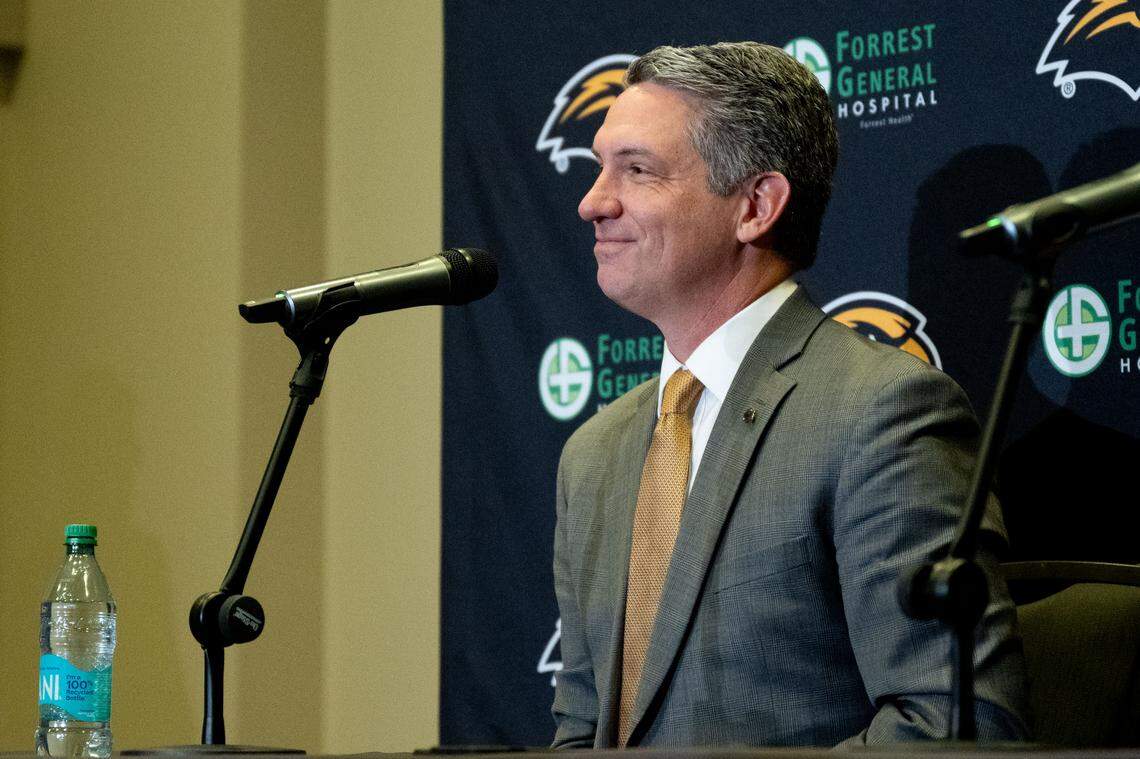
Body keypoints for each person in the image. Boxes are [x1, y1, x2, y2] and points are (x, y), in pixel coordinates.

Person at [550, 42, 1030, 748]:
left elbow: (956, 727)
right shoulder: (591, 455)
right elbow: (581, 731)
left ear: (756, 205)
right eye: (599, 167)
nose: (593, 201)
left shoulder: (882, 414)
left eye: (638, 170)